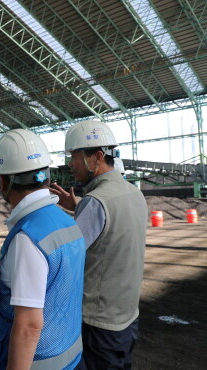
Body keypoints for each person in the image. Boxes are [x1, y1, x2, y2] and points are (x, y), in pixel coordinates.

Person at [50, 120, 148, 369]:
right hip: (126, 316)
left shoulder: (95, 203)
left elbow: (68, 258)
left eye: (75, 157)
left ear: (97, 157)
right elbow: (111, 233)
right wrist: (78, 207)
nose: (71, 164)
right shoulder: (133, 193)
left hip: (98, 323)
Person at [0, 129, 86, 370]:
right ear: (45, 176)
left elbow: (30, 326)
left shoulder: (28, 237)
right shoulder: (67, 222)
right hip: (71, 355)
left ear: (4, 182)